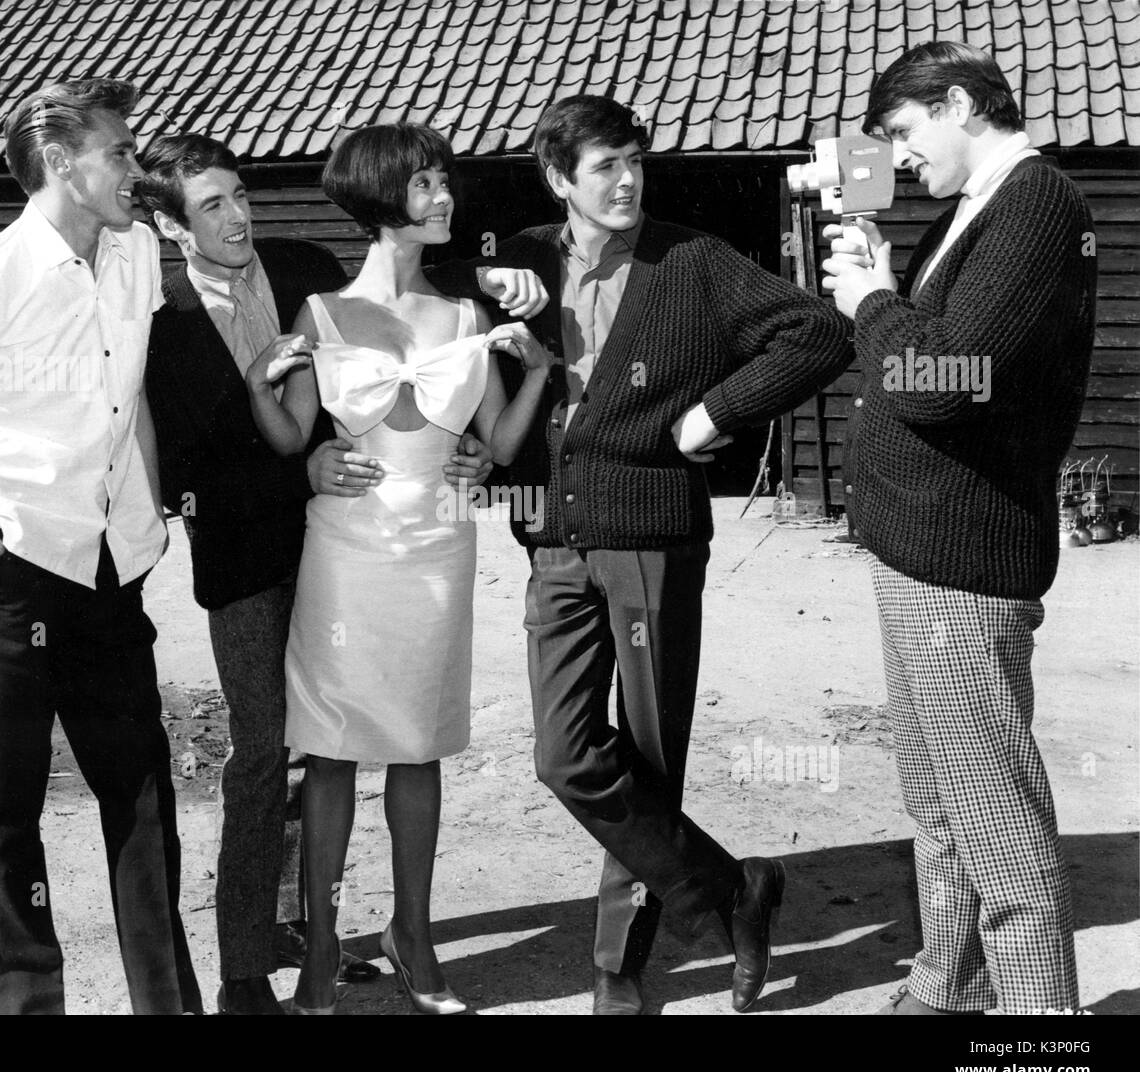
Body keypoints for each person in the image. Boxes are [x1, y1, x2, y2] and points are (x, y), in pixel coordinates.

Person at [429, 94, 855, 1014]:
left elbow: (818, 331)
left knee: (652, 758)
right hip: (551, 537)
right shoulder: (515, 258)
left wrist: (715, 415)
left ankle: (619, 965)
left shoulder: (690, 261)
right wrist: (464, 436)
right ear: (558, 180)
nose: (626, 183)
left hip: (654, 535)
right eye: (604, 168)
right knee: (566, 753)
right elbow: (417, 321)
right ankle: (734, 889)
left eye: (635, 162)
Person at [137, 133, 491, 1012]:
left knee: (344, 745)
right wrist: (299, 471)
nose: (237, 216)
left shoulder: (305, 267)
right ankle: (246, 961)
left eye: (240, 195)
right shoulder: (158, 320)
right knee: (267, 752)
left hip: (353, 540)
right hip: (249, 558)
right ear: (172, 225)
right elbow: (184, 457)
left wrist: (455, 446)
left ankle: (319, 924)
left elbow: (367, 378)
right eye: (212, 205)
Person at [0, 79, 202, 1014]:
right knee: (7, 805)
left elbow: (131, 391)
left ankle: (166, 1001)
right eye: (119, 152)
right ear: (60, 163)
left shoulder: (137, 254)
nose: (134, 169)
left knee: (144, 792)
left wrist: (148, 520)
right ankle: (29, 1003)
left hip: (110, 569)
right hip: (12, 573)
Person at [245, 122, 553, 1015]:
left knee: (419, 747)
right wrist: (267, 385)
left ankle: (413, 936)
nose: (444, 196)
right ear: (384, 200)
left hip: (440, 548)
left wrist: (533, 375)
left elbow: (493, 441)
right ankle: (320, 951)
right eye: (424, 185)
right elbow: (290, 437)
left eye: (444, 181)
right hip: (346, 552)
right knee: (333, 749)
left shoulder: (466, 316)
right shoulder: (324, 315)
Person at [820, 41, 1095, 1015]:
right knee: (939, 808)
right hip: (916, 551)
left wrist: (870, 300)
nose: (896, 155)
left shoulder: (1035, 204)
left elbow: (942, 382)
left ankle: (1038, 1033)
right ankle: (947, 988)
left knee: (999, 830)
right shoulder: (971, 212)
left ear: (961, 103)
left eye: (902, 130)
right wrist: (884, 288)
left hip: (963, 564)